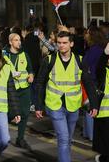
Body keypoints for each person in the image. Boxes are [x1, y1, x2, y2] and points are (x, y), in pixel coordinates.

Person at [34, 30, 99, 162]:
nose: (61, 45)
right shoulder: (49, 60)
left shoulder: (80, 60)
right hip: (54, 105)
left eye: (64, 43)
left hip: (73, 105)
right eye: (59, 43)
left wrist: (94, 104)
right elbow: (39, 83)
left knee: (68, 139)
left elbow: (88, 83)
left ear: (71, 44)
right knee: (63, 139)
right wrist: (38, 105)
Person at [3, 32, 34, 150]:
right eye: (16, 40)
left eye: (20, 40)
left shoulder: (24, 54)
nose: (19, 42)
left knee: (25, 113)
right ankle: (0, 133)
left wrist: (31, 75)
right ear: (10, 42)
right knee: (10, 113)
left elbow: (30, 69)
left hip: (24, 88)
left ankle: (20, 139)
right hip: (11, 90)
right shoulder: (4, 55)